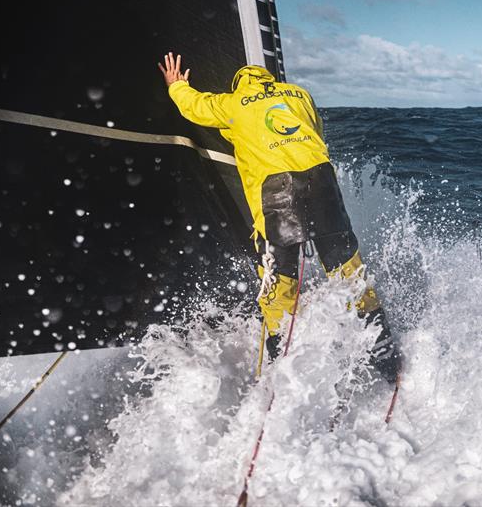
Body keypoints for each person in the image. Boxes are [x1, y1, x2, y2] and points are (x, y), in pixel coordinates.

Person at [157, 52, 400, 383]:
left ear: (240, 84)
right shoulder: (300, 95)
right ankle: (390, 365)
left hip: (278, 199)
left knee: (278, 292)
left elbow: (194, 107)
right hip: (322, 186)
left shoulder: (235, 102)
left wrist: (175, 86)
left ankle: (279, 377)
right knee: (350, 277)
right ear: (269, 80)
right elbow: (314, 131)